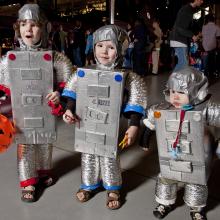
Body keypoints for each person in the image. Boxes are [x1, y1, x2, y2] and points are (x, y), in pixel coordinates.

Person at [62, 24, 147, 210]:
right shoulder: (82, 73)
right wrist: (69, 109)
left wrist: (134, 125)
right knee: (88, 153)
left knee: (109, 155)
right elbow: (71, 91)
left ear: (120, 49)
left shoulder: (128, 77)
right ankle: (89, 184)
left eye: (111, 47)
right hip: (86, 121)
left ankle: (113, 187)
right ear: (93, 47)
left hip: (111, 125)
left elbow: (137, 98)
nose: (104, 51)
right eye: (100, 46)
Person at [0, 4, 73, 202]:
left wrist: (59, 94)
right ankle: (27, 181)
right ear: (18, 28)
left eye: (34, 24)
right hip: (22, 112)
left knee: (44, 142)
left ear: (45, 28)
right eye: (23, 24)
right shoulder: (8, 60)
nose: (28, 29)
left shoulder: (56, 59)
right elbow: (2, 87)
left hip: (45, 111)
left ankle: (43, 171)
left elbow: (70, 85)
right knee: (25, 145)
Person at [142, 66, 220, 220]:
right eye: (172, 92)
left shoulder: (206, 110)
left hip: (198, 154)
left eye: (181, 92)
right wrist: (144, 139)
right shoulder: (164, 108)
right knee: (166, 177)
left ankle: (196, 208)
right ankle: (164, 202)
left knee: (196, 181)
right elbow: (150, 123)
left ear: (198, 92)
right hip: (172, 154)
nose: (175, 97)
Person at [170, 0, 204, 71]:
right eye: (200, 0)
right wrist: (192, 36)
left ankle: (174, 81)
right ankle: (171, 81)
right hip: (179, 39)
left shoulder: (189, 10)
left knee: (184, 63)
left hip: (180, 39)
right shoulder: (186, 10)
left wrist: (194, 35)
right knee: (183, 63)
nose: (202, 1)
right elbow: (180, 28)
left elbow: (185, 27)